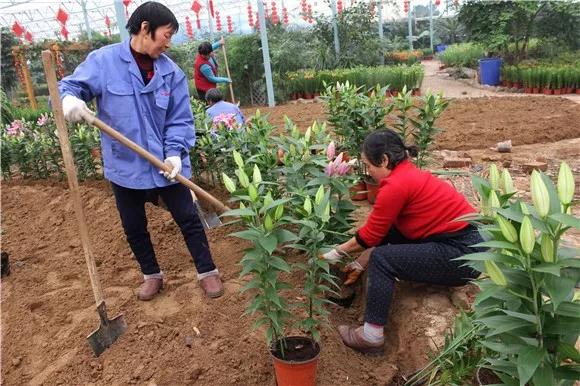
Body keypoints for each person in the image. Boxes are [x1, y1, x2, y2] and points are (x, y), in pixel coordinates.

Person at [58, 1, 224, 301]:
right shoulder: (104, 62)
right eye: (167, 34)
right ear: (145, 28)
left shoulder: (171, 73)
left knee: (188, 217)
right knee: (133, 226)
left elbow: (180, 119)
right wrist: (69, 101)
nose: (169, 43)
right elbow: (68, 88)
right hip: (125, 167)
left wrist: (175, 153)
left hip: (166, 164)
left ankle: (207, 271)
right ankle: (152, 275)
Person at [321, 129, 482, 355]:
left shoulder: (396, 185)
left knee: (382, 260)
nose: (368, 173)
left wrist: (333, 254)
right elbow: (385, 230)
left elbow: (369, 236)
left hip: (461, 255)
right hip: (468, 246)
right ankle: (362, 279)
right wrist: (359, 262)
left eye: (369, 166)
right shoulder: (409, 174)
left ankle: (371, 336)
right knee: (390, 237)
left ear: (384, 160)